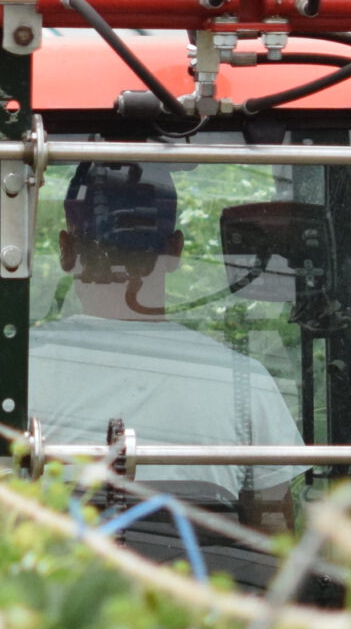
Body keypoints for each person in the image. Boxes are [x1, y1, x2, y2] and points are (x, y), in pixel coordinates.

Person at [27, 162, 302, 531]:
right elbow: (274, 540)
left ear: (65, 250)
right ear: (175, 250)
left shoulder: (15, 375)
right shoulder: (244, 382)